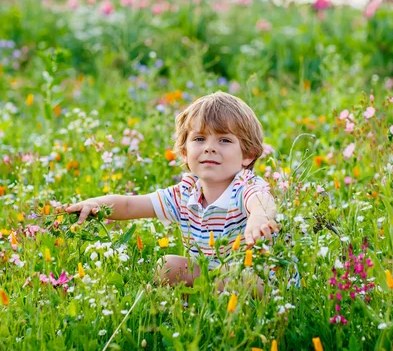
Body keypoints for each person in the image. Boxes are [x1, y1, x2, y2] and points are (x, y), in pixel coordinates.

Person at [64, 91, 279, 291]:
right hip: (213, 275)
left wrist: (258, 218)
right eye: (199, 139)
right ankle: (197, 306)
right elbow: (130, 205)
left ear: (248, 155)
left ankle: (212, 297)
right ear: (185, 152)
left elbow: (261, 201)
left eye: (224, 140)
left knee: (244, 277)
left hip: (256, 279)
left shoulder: (244, 186)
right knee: (166, 266)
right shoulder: (185, 194)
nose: (209, 147)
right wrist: (95, 204)